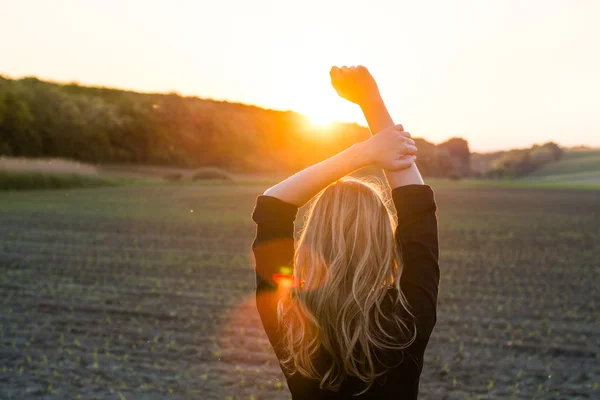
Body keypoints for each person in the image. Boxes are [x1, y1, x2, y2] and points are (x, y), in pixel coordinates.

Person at [251, 66, 439, 399]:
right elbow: (417, 210)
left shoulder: (288, 317)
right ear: (386, 241)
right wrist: (371, 101)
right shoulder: (408, 317)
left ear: (313, 237)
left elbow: (273, 205)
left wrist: (363, 153)